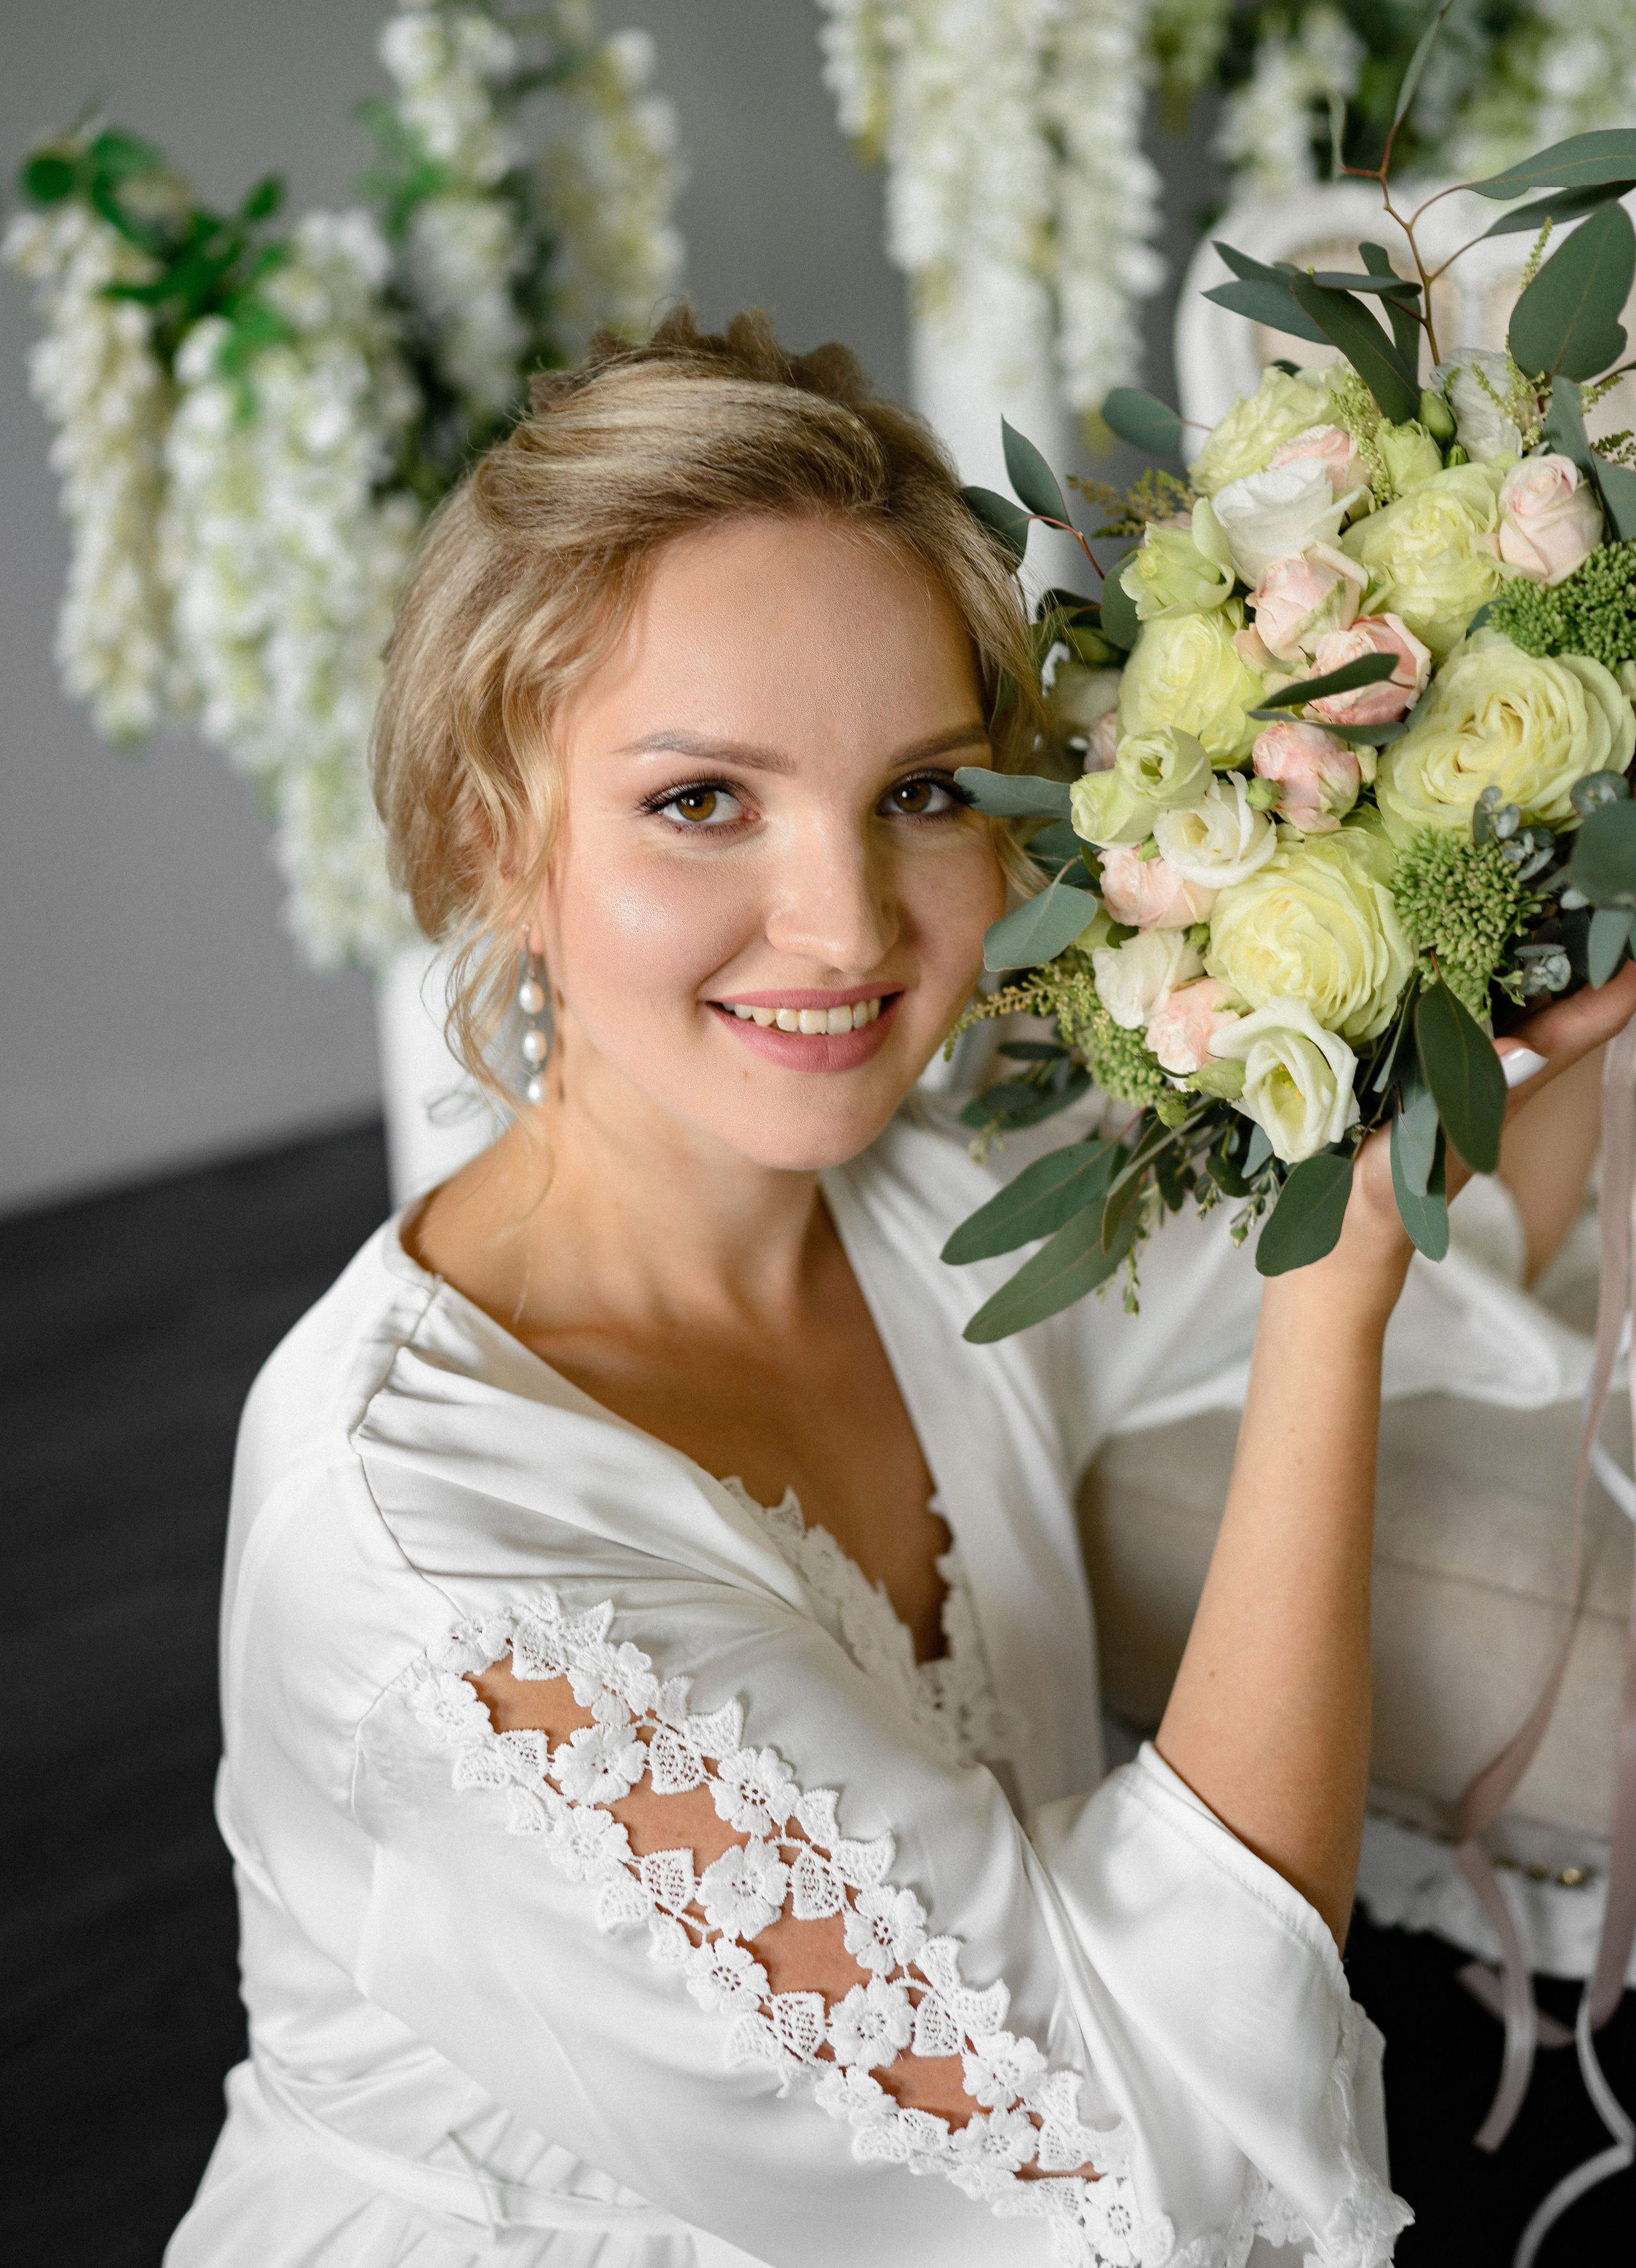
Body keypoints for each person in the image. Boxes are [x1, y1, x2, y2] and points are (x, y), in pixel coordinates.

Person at [166, 310, 1635, 2268]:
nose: (847, 925)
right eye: (703, 801)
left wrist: (1526, 855)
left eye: (928, 792)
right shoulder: (444, 1582)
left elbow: (1464, 1238)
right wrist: (1324, 1298)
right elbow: (1144, 2164)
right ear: (484, 837)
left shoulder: (923, 1208)